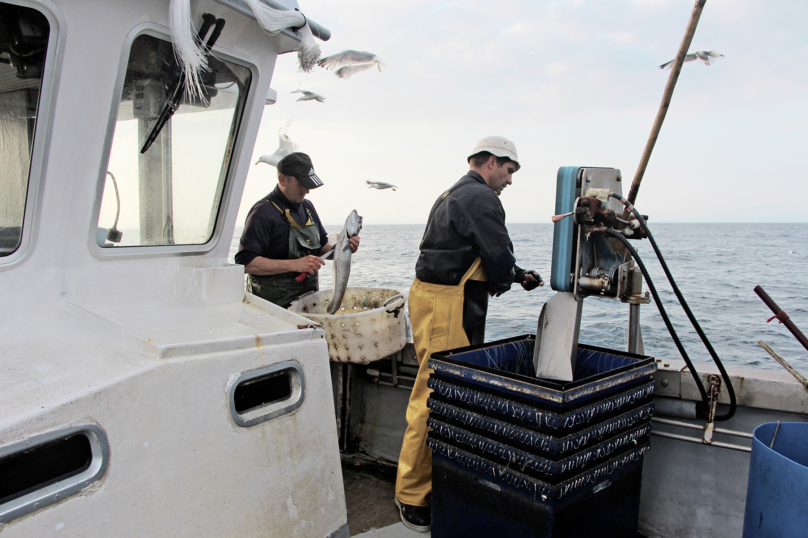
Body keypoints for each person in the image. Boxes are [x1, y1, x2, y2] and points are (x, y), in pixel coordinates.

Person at [394, 136, 543, 532]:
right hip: (448, 306)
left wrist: (514, 274)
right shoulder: (481, 198)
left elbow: (466, 251)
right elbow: (496, 253)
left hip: (432, 297)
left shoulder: (453, 193)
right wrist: (505, 277)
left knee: (437, 390)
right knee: (435, 396)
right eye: (509, 171)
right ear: (492, 162)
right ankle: (412, 494)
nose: (509, 181)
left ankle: (431, 483)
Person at [235, 152, 359, 308]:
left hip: (306, 305)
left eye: (308, 184)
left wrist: (343, 248)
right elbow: (245, 263)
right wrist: (295, 265)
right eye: (301, 184)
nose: (307, 190)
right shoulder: (263, 213)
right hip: (270, 309)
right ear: (282, 179)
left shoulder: (307, 207)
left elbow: (322, 249)